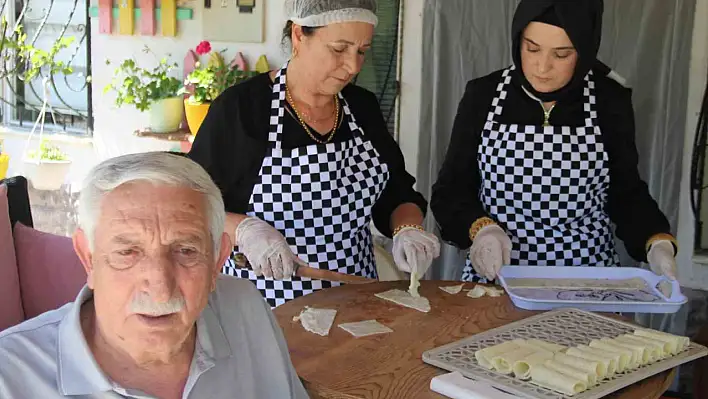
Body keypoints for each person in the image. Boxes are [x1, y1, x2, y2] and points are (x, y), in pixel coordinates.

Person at [188, 0, 440, 307]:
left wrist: (408, 228)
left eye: (362, 51)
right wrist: (245, 229)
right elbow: (193, 202)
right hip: (263, 305)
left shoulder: (362, 107)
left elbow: (396, 193)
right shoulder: (242, 109)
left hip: (354, 297)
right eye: (339, 48)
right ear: (298, 36)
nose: (353, 66)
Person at [0, 153, 309, 399]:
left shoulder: (244, 308)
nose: (161, 291)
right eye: (127, 252)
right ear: (88, 258)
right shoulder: (9, 377)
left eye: (186, 251)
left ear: (217, 261)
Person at [431, 0, 677, 282]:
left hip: (588, 278)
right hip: (499, 276)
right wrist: (482, 229)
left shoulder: (608, 101)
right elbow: (451, 190)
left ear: (584, 53)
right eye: (532, 48)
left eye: (561, 55)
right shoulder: (484, 95)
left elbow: (625, 192)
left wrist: (656, 240)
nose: (542, 67)